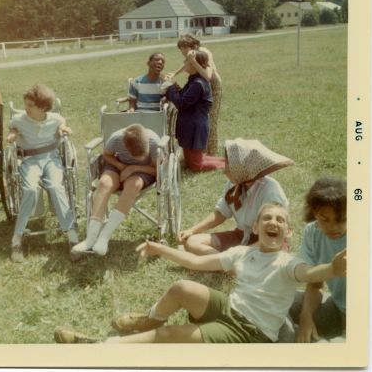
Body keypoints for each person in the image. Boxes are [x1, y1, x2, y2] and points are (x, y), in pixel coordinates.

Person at [54, 203, 346, 344]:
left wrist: (332, 268)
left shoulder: (288, 262)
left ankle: (99, 347)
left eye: (280, 220)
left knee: (169, 335)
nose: (273, 222)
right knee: (182, 286)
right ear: (255, 228)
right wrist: (162, 249)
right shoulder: (243, 253)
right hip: (229, 310)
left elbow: (310, 274)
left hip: (249, 332)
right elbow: (195, 264)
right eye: (267, 218)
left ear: (287, 232)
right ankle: (146, 322)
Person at [179, 138, 293, 255]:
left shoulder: (270, 191)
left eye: (229, 164)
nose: (224, 170)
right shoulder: (234, 184)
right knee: (192, 242)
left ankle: (226, 262)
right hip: (241, 236)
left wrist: (240, 252)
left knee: (253, 258)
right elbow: (220, 214)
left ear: (243, 168)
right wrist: (192, 231)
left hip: (267, 242)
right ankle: (226, 263)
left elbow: (276, 235)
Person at [7, 84, 78, 263]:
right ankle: (17, 238)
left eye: (31, 106)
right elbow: (13, 128)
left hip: (51, 159)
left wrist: (63, 128)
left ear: (43, 107)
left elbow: (61, 122)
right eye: (26, 104)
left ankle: (72, 236)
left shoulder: (54, 119)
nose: (26, 109)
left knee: (56, 187)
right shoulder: (19, 119)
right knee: (30, 189)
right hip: (30, 160)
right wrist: (13, 134)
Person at [72, 123, 160, 257]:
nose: (140, 157)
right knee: (104, 182)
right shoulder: (116, 139)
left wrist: (133, 168)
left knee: (133, 185)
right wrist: (121, 166)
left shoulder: (153, 142)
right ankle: (90, 239)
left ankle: (104, 238)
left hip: (144, 170)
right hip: (119, 165)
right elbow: (107, 155)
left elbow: (157, 170)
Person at [288, 177, 347, 342]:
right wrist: (306, 316)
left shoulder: (363, 233)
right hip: (336, 307)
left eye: (341, 219)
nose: (333, 227)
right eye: (324, 219)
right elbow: (315, 284)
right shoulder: (313, 232)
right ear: (314, 213)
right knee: (279, 296)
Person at [164, 50, 225, 172]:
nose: (184, 62)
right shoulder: (195, 79)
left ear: (194, 64)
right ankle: (226, 161)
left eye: (186, 61)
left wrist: (170, 87)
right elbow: (185, 97)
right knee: (193, 161)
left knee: (195, 165)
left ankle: (227, 164)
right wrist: (175, 87)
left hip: (194, 127)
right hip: (192, 125)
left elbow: (181, 104)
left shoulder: (198, 83)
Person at [168, 34, 222, 155]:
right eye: (181, 51)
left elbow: (207, 76)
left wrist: (193, 61)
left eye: (185, 50)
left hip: (212, 85)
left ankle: (211, 152)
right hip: (201, 85)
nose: (184, 54)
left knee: (210, 119)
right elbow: (187, 63)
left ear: (194, 46)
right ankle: (200, 150)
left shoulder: (203, 52)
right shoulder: (192, 55)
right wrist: (174, 74)